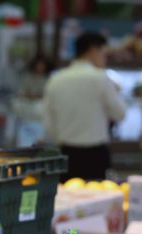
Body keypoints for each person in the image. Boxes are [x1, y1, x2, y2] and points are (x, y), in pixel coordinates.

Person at [43, 32, 127, 180]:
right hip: (95, 155)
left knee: (68, 199)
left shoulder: (56, 79)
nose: (104, 58)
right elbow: (120, 114)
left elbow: (49, 124)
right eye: (103, 53)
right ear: (93, 50)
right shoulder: (101, 78)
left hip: (66, 153)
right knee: (97, 199)